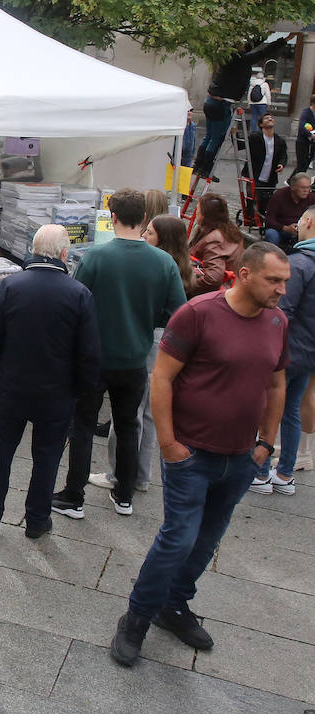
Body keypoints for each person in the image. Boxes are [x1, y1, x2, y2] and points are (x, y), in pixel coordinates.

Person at [110, 243, 289, 666]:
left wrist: (266, 443)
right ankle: (136, 617)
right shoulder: (197, 314)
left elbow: (277, 385)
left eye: (284, 281)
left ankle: (174, 605)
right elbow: (162, 379)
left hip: (243, 457)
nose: (281, 289)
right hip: (192, 455)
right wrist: (171, 445)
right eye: (273, 280)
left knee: (207, 540)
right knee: (178, 540)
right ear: (245, 274)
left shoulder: (278, 321)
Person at [54, 189, 185, 520]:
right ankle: (124, 493)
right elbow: (178, 314)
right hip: (135, 358)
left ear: (112, 217)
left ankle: (74, 495)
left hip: (94, 357)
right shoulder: (164, 261)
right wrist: (146, 319)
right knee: (128, 425)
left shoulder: (96, 258)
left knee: (82, 426)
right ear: (144, 219)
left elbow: (75, 306)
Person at [0, 226, 98, 539]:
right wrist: (78, 390)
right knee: (48, 457)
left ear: (33, 250)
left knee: (0, 452)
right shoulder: (79, 294)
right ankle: (37, 520)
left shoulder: (10, 287)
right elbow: (88, 353)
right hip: (57, 394)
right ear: (65, 254)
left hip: (11, 388)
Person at [93, 215, 194, 496]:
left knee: (127, 413)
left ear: (162, 238)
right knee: (149, 413)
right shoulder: (178, 266)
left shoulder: (157, 264)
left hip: (151, 340)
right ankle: (140, 475)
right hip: (165, 340)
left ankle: (117, 474)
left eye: (149, 232)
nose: (144, 235)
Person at [251, 204, 315, 495]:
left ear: (309, 222)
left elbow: (282, 311)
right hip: (309, 353)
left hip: (288, 351)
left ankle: (261, 472)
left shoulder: (300, 264)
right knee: (291, 410)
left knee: (270, 407)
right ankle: (285, 473)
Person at [194, 37, 292, 182]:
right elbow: (263, 52)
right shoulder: (240, 60)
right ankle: (206, 169)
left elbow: (252, 46)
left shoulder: (231, 57)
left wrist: (264, 34)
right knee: (217, 138)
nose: (245, 47)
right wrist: (284, 40)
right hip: (222, 103)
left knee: (209, 136)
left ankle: (198, 166)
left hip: (211, 100)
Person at [188, 193, 246, 296]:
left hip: (217, 296)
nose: (195, 213)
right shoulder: (229, 229)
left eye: (198, 210)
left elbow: (213, 279)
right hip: (229, 290)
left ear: (205, 215)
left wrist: (184, 287)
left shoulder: (215, 239)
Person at [245, 113, 287, 224]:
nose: (270, 119)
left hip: (270, 178)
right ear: (261, 124)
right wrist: (234, 133)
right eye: (266, 118)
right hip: (254, 175)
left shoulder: (280, 141)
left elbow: (283, 155)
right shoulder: (255, 137)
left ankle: (262, 223)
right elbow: (242, 144)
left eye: (271, 118)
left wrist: (281, 164)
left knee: (266, 202)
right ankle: (250, 221)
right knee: (252, 200)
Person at [263, 173, 312, 250]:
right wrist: (285, 228)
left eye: (308, 187)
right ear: (293, 187)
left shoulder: (311, 197)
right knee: (271, 234)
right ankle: (272, 258)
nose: (306, 190)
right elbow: (268, 220)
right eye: (302, 188)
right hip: (281, 229)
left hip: (302, 230)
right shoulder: (279, 196)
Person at [248, 67, 271, 134]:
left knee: (254, 117)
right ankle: (262, 131)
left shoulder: (252, 83)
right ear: (263, 77)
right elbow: (268, 94)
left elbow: (249, 94)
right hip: (262, 103)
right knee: (263, 117)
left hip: (253, 103)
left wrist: (249, 102)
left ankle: (252, 131)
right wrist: (269, 103)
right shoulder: (265, 84)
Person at [297, 94, 315, 175]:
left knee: (305, 164)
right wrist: (310, 135)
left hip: (311, 143)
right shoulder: (306, 112)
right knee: (302, 165)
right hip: (302, 141)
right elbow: (301, 126)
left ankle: (290, 181)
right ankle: (292, 182)